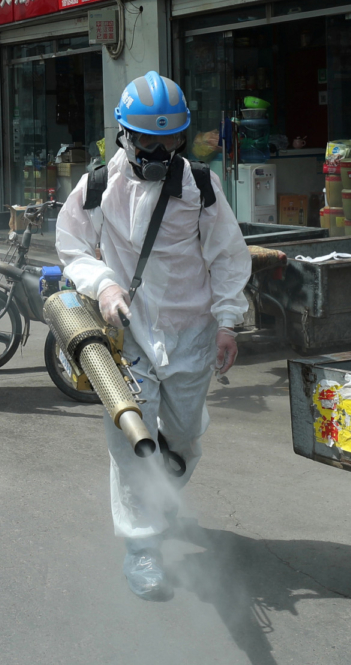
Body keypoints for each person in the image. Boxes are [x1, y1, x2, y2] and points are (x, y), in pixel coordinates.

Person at [56, 71, 251, 601]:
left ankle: (161, 495)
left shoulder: (202, 186)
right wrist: (103, 286)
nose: (159, 150)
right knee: (130, 439)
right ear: (124, 135)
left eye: (170, 140)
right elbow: (71, 247)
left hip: (191, 331)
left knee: (182, 441)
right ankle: (142, 547)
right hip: (129, 333)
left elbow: (229, 258)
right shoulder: (99, 186)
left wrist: (229, 321)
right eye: (147, 139)